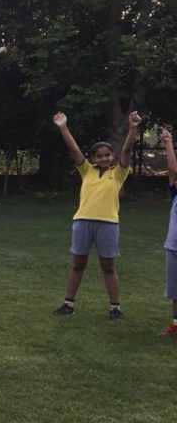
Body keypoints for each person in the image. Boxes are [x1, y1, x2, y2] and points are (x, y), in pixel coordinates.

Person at [52, 110, 140, 320]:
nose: (104, 158)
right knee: (78, 264)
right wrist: (63, 126)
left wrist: (133, 127)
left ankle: (115, 308)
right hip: (82, 222)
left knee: (108, 266)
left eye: (107, 155)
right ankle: (68, 304)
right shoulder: (87, 171)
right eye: (99, 156)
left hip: (108, 224)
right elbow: (74, 148)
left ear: (112, 156)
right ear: (93, 158)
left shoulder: (118, 173)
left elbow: (127, 149)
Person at [160, 128, 177, 335]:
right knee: (175, 290)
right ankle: (176, 324)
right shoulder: (175, 192)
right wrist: (168, 143)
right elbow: (173, 169)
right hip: (173, 246)